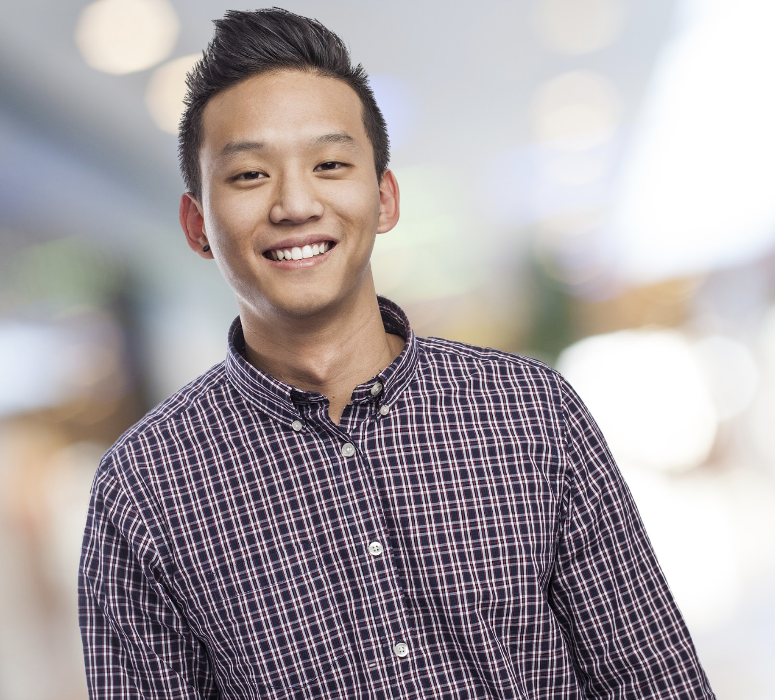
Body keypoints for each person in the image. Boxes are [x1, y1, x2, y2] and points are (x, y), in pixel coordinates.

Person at [78, 8, 715, 700]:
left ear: (382, 197)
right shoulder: (142, 491)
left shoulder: (531, 413)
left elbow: (652, 681)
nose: (295, 204)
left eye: (329, 164)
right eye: (249, 176)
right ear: (197, 224)